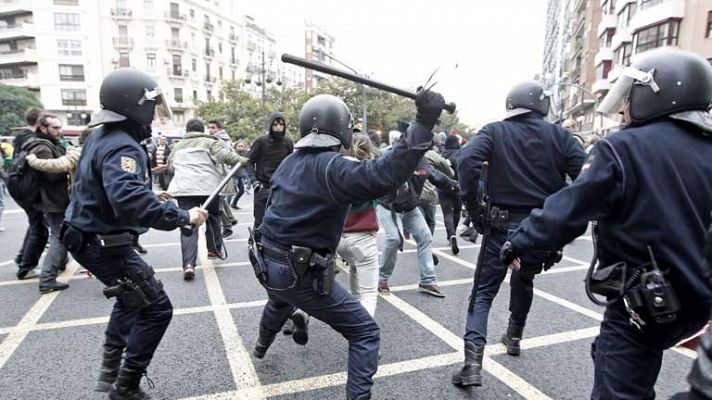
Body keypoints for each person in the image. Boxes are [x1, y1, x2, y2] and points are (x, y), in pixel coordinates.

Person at [500, 49, 712, 399]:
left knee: (618, 385)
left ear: (655, 93)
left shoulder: (624, 148)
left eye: (630, 97)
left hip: (644, 303)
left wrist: (518, 242)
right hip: (698, 306)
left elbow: (568, 211)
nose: (625, 108)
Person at [251, 91, 446, 400]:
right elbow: (385, 174)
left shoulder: (288, 163)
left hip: (267, 264)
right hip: (297, 271)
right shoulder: (333, 167)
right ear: (341, 129)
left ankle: (261, 346)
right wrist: (423, 123)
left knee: (280, 298)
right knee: (365, 332)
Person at [62, 68, 208, 400]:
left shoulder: (101, 137)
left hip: (87, 236)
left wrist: (152, 197)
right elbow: (128, 200)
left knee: (132, 299)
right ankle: (125, 386)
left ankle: (110, 370)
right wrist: (184, 215)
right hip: (101, 243)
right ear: (135, 105)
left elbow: (103, 190)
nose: (155, 115)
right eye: (151, 107)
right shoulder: (122, 146)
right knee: (157, 308)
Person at [452, 80, 585, 387]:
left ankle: (472, 363)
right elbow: (586, 181)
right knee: (524, 278)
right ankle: (514, 336)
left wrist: (473, 209)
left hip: (500, 226)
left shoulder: (495, 131)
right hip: (541, 229)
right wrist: (561, 218)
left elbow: (467, 161)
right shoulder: (562, 137)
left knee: (483, 293)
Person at [376, 129, 459, 298]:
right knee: (393, 238)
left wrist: (457, 187)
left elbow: (437, 177)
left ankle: (427, 281)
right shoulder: (390, 157)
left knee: (425, 237)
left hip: (410, 207)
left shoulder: (420, 161)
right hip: (388, 207)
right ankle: (381, 279)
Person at [167, 118, 246, 279]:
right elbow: (229, 157)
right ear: (201, 130)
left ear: (187, 131)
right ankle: (214, 249)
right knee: (213, 217)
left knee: (188, 224)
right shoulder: (210, 142)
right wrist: (245, 160)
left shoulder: (176, 146)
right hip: (209, 188)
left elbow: (170, 168)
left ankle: (188, 264)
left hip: (184, 188)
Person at [23, 114, 71, 293]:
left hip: (53, 200)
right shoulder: (42, 147)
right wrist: (67, 165)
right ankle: (47, 279)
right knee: (58, 237)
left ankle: (59, 265)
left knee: (61, 235)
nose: (59, 131)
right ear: (43, 128)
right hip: (54, 200)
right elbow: (50, 173)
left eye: (60, 127)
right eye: (55, 128)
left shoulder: (45, 144)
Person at [335, 133, 381, 317]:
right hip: (362, 239)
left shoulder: (336, 170)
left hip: (338, 238)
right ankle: (363, 334)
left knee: (355, 282)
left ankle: (304, 312)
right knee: (368, 294)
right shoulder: (370, 172)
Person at [244, 113, 293, 229]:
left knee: (281, 222)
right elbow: (248, 161)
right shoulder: (261, 142)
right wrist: (254, 181)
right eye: (275, 124)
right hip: (262, 188)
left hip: (281, 189)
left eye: (281, 124)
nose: (278, 127)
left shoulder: (288, 143)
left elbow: (292, 164)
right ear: (271, 125)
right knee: (260, 222)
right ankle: (258, 242)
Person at [13, 107, 44, 279]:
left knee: (35, 224)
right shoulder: (32, 139)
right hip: (28, 186)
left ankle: (22, 259)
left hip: (19, 184)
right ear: (39, 121)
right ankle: (26, 267)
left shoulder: (20, 137)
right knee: (38, 227)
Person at [440, 134, 464, 253]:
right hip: (457, 186)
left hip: (443, 186)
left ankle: (451, 234)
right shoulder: (460, 154)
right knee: (457, 210)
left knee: (447, 212)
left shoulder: (442, 154)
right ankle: (453, 232)